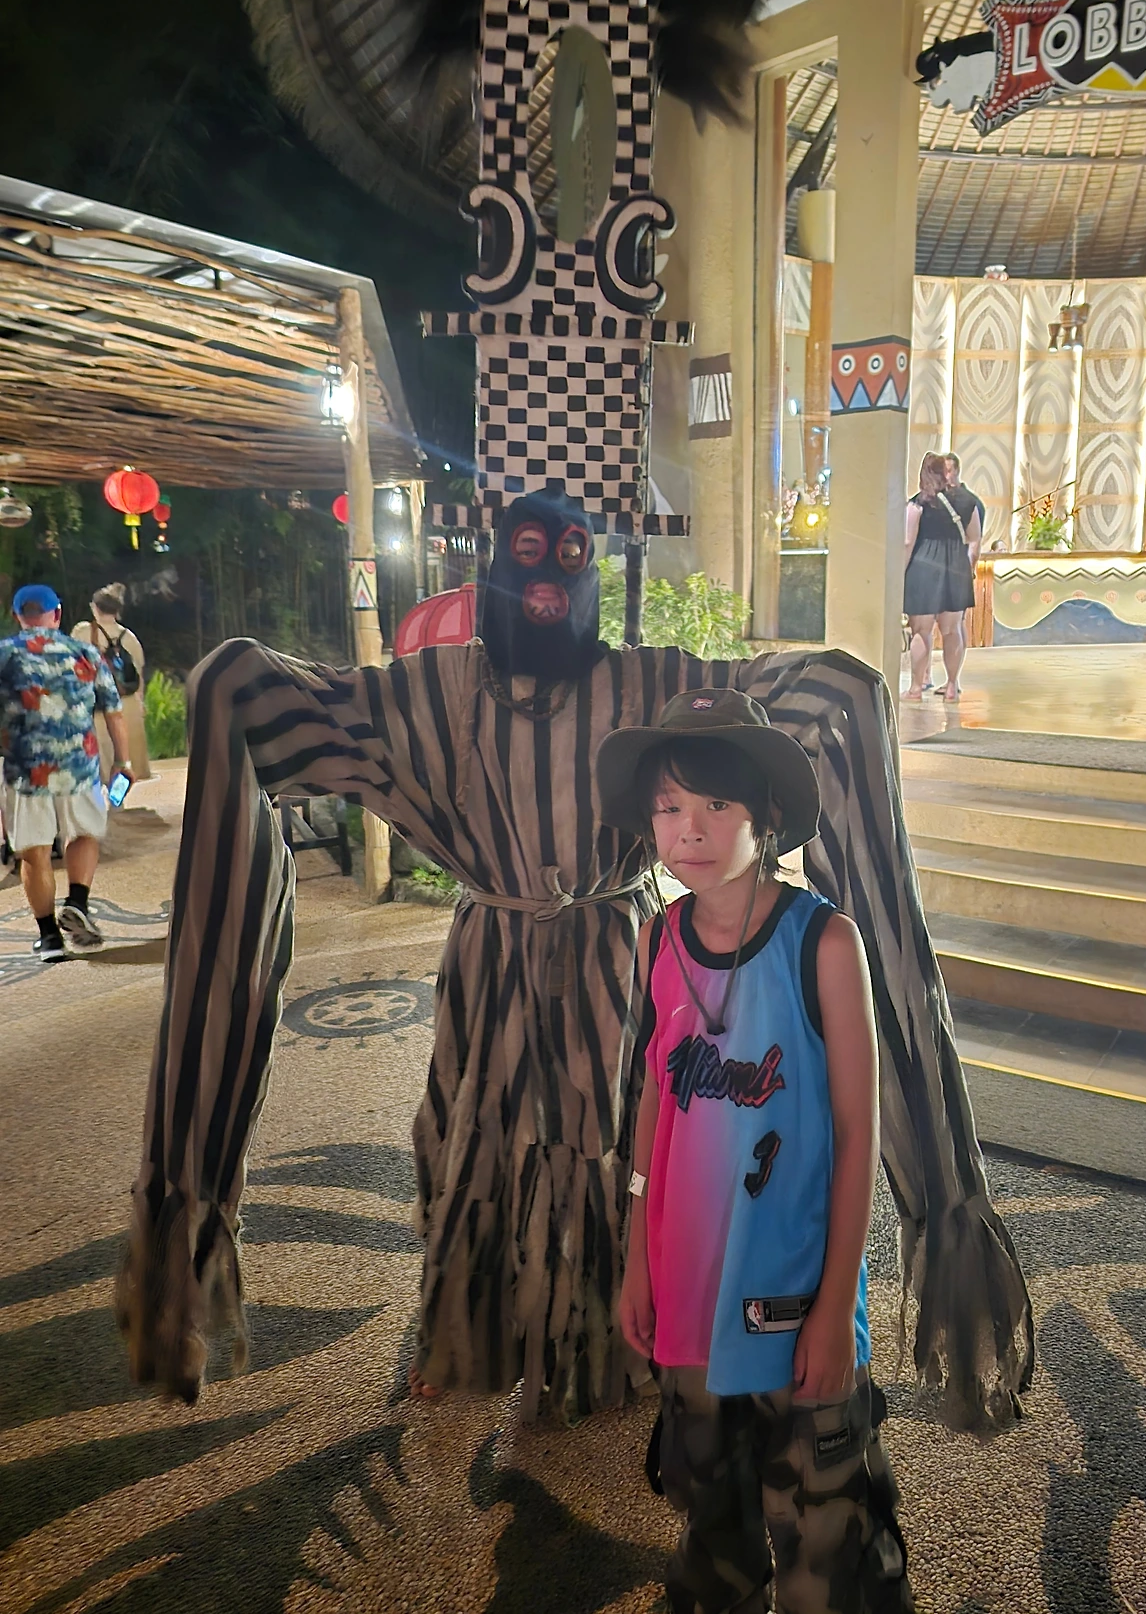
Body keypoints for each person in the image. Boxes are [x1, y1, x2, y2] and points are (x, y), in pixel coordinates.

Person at [117, 490, 1032, 1437]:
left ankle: (614, 1344)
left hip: (615, 954)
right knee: (480, 1141)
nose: (549, 580)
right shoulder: (434, 693)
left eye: (570, 557)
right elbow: (268, 699)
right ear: (493, 564)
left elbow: (825, 697)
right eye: (527, 552)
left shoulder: (641, 684)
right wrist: (187, 1190)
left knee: (623, 1142)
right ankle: (471, 1331)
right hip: (494, 961)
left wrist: (844, 704)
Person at [599, 687, 913, 1613]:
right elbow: (655, 1103)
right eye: (668, 807)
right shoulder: (658, 939)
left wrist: (835, 1308)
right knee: (711, 1518)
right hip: (688, 1283)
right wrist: (637, 1258)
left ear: (764, 816)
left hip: (793, 1292)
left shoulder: (824, 943)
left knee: (830, 1535)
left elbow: (856, 1135)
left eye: (714, 804)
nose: (688, 830)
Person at [0, 583, 131, 961]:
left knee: (34, 851)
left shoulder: (5, 655)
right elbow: (114, 712)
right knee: (85, 833)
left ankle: (49, 939)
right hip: (79, 765)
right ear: (57, 614)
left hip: (26, 770)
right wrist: (122, 763)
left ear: (18, 616)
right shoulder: (86, 653)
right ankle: (77, 901)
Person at [903, 453, 981, 704]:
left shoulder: (918, 502)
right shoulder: (968, 501)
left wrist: (900, 574)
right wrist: (967, 569)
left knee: (921, 632)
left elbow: (907, 542)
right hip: (956, 569)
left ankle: (916, 688)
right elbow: (974, 540)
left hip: (923, 569)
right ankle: (951, 686)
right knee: (952, 630)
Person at [72, 583, 152, 782]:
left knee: (104, 756)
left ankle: (106, 793)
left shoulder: (82, 632)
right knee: (128, 760)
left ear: (95, 607)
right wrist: (140, 701)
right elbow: (139, 673)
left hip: (98, 702)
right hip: (127, 703)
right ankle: (124, 792)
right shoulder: (130, 637)